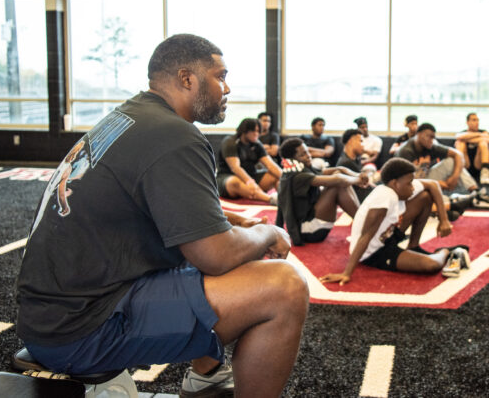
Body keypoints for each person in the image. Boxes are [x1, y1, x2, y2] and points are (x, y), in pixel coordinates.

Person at [16, 33, 308, 397]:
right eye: (220, 76)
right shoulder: (175, 135)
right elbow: (216, 255)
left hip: (50, 316)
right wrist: (267, 233)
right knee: (285, 287)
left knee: (202, 250)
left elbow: (181, 211)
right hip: (82, 330)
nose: (227, 88)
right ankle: (208, 376)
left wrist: (241, 224)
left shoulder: (132, 117)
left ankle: (207, 375)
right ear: (187, 78)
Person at [319, 158, 467, 284]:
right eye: (409, 183)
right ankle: (445, 252)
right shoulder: (383, 199)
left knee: (425, 196)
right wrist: (346, 273)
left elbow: (432, 184)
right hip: (374, 252)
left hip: (388, 235)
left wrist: (444, 220)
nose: (412, 187)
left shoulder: (397, 187)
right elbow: (365, 236)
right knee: (432, 265)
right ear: (395, 183)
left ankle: (413, 246)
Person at [275, 137, 366, 245]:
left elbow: (339, 170)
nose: (308, 156)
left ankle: (363, 220)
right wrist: (357, 180)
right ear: (293, 160)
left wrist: (358, 175)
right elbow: (339, 180)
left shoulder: (302, 169)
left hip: (313, 222)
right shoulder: (298, 176)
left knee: (339, 179)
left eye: (307, 152)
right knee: (337, 185)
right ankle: (365, 224)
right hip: (309, 231)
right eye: (302, 154)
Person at [396, 123, 489, 207]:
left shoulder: (429, 146)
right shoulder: (406, 151)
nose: (431, 140)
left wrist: (454, 177)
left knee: (451, 161)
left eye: (433, 137)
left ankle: (476, 194)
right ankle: (450, 202)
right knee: (441, 202)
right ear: (419, 135)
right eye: (429, 136)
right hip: (409, 186)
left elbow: (458, 155)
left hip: (424, 178)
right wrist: (434, 184)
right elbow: (404, 182)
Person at [216, 117, 281, 205]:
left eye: (258, 131)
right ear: (244, 131)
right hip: (228, 177)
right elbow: (235, 168)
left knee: (274, 176)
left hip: (251, 175)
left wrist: (287, 177)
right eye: (253, 131)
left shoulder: (257, 144)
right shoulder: (230, 142)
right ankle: (272, 199)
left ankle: (284, 197)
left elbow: (270, 165)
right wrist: (251, 182)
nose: (256, 134)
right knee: (234, 182)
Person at [337, 128, 376, 203]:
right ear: (351, 141)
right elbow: (362, 189)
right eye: (360, 141)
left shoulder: (356, 159)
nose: (363, 145)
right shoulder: (346, 163)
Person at [454, 112, 489, 186]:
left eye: (477, 120)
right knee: (460, 144)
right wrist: (479, 135)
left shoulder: (483, 131)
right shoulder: (463, 132)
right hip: (466, 165)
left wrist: (466, 139)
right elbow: (458, 137)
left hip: (478, 164)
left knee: (483, 143)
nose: (477, 122)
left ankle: (485, 174)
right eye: (474, 120)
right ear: (467, 122)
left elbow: (487, 139)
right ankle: (459, 173)